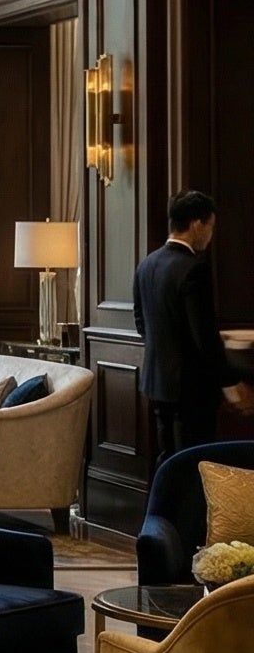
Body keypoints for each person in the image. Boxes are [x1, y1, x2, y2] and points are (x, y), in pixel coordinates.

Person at [133, 189, 254, 465]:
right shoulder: (193, 268)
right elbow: (204, 340)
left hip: (157, 384)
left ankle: (160, 509)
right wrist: (233, 387)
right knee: (196, 464)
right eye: (211, 226)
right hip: (191, 390)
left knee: (168, 461)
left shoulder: (147, 264)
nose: (211, 235)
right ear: (198, 224)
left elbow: (143, 325)